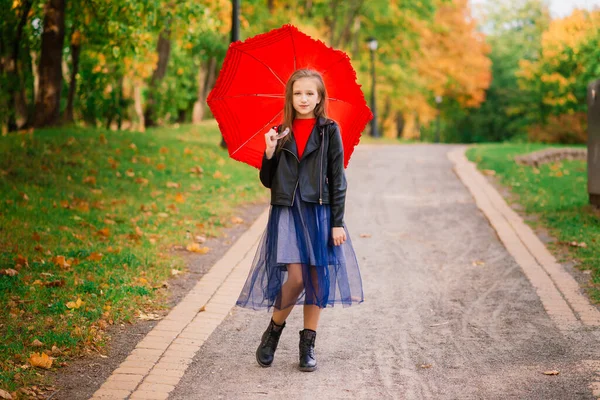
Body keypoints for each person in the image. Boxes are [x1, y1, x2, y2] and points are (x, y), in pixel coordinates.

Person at [236, 68, 363, 372]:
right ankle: (273, 331)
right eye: (297, 93)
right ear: (289, 97)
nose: (303, 99)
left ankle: (308, 345)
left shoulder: (329, 130)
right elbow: (269, 182)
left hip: (318, 211)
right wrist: (269, 152)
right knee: (296, 278)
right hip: (288, 211)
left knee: (317, 277)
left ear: (319, 98)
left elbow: (338, 179)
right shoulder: (280, 132)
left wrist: (337, 222)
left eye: (310, 93)